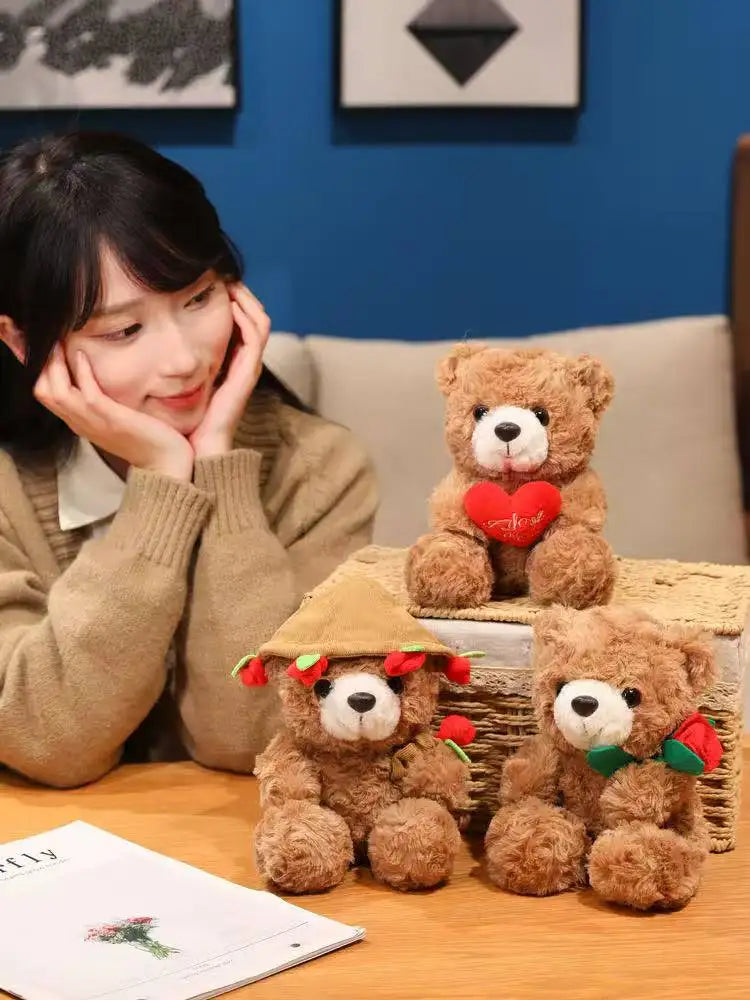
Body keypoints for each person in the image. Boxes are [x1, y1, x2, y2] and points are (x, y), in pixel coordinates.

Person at [0, 131, 378, 788]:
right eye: (124, 330)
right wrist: (160, 486)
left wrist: (216, 474)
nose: (182, 360)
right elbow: (48, 741)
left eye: (198, 298)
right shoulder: (7, 489)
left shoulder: (319, 470)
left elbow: (254, 738)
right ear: (23, 341)